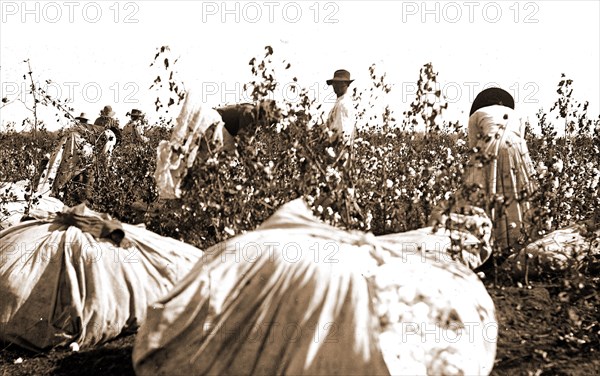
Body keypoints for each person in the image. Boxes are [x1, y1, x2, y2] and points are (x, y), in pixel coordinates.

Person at [462, 87, 538, 252]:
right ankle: (520, 239)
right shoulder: (517, 114)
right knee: (519, 191)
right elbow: (520, 138)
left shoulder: (477, 114)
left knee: (487, 190)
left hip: (489, 146)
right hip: (517, 149)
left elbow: (473, 146)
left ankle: (490, 240)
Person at [325, 69, 356, 145]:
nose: (336, 86)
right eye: (335, 83)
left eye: (340, 83)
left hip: (339, 147)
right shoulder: (340, 102)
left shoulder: (343, 104)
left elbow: (342, 131)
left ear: (347, 85)